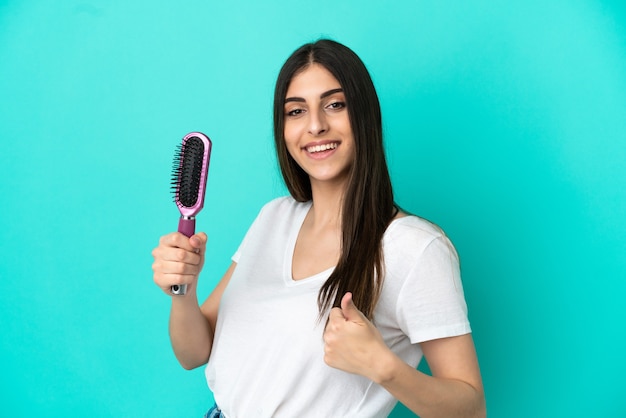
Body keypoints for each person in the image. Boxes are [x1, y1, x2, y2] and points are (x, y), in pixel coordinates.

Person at [152, 39, 486, 418]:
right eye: (296, 111)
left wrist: (385, 367)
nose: (315, 125)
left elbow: (471, 409)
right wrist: (184, 290)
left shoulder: (415, 248)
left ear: (364, 115)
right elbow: (194, 353)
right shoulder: (274, 218)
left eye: (335, 104)